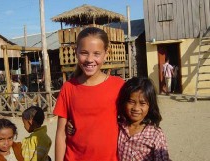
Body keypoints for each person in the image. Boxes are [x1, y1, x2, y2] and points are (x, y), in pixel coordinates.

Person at [53, 27, 124, 161]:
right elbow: (61, 134)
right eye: (84, 53)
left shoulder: (119, 86)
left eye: (96, 53)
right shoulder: (68, 88)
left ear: (106, 53)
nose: (90, 59)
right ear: (76, 52)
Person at [117, 77, 170, 161]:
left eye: (142, 103)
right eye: (131, 102)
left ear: (150, 106)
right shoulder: (119, 127)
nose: (136, 108)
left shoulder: (155, 135)